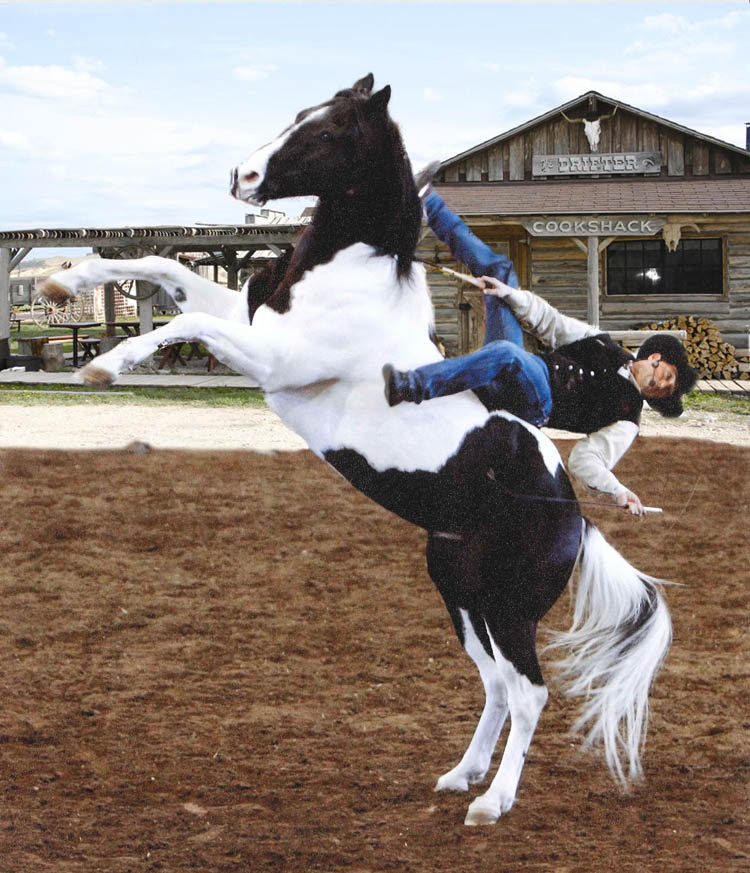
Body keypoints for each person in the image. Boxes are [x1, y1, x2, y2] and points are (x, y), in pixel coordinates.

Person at [384, 178, 697, 515]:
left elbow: (585, 459)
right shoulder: (601, 342)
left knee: (510, 357)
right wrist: (509, 295)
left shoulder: (627, 420)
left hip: (537, 404)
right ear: (654, 358)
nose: (659, 385)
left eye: (664, 391)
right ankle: (428, 202)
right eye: (665, 376)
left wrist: (617, 490)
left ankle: (410, 387)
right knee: (501, 271)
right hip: (525, 369)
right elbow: (550, 321)